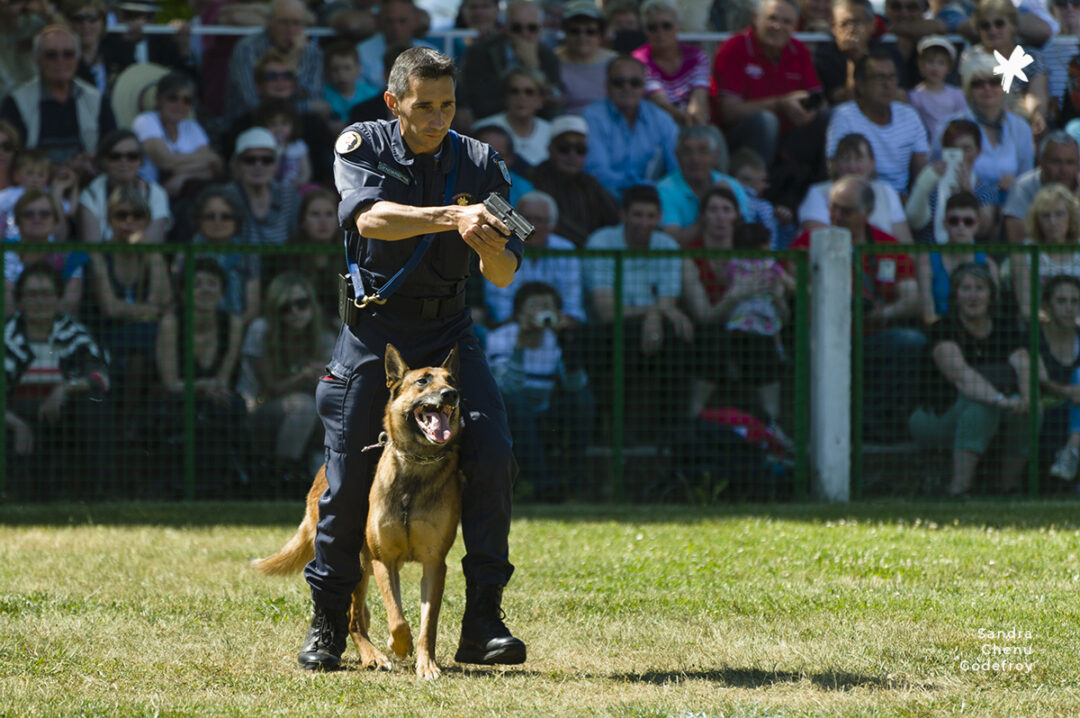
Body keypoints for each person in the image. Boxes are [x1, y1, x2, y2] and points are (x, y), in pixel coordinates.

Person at [297, 47, 526, 672]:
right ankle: (328, 624)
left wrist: (488, 246)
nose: (436, 118)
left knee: (494, 452)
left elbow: (506, 273)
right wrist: (452, 216)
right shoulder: (359, 144)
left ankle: (483, 619)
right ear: (394, 102)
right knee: (346, 475)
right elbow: (370, 220)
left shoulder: (482, 162)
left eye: (447, 105)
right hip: (376, 334)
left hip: (450, 333)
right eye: (423, 106)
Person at [790, 175, 925, 440]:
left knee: (912, 341)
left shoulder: (887, 245)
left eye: (847, 210)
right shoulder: (808, 242)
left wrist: (882, 314)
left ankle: (872, 418)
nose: (837, 216)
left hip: (870, 333)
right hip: (822, 337)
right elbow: (788, 280)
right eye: (833, 208)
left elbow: (912, 298)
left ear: (869, 212)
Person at [909, 263, 1033, 496]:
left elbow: (1023, 362)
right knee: (980, 408)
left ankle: (1009, 489)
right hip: (935, 415)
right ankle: (958, 489)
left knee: (1029, 409)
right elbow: (962, 377)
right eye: (965, 288)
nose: (973, 296)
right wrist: (1000, 400)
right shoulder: (942, 329)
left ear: (991, 295)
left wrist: (1026, 398)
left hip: (995, 407)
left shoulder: (1004, 328)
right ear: (955, 294)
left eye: (980, 288)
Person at [583, 184, 695, 434]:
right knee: (627, 337)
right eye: (637, 214)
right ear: (623, 215)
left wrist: (656, 314)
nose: (643, 222)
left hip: (652, 331)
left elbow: (669, 303)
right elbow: (606, 312)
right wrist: (654, 313)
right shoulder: (601, 242)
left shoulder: (667, 246)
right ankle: (616, 433)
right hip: (607, 333)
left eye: (650, 216)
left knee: (679, 335)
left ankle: (673, 435)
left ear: (660, 218)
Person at [682, 186, 794, 430]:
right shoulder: (690, 255)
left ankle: (770, 425)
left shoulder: (756, 251)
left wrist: (777, 299)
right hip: (709, 331)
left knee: (760, 341)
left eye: (726, 210)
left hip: (754, 331)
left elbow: (783, 317)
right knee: (715, 340)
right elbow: (704, 316)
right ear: (702, 217)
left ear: (737, 217)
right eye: (713, 210)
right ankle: (693, 419)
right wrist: (735, 297)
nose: (720, 217)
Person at [4, 262, 111, 501]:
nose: (40, 302)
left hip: (64, 419)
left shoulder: (75, 334)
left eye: (46, 294)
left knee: (93, 403)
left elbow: (100, 377)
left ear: (58, 298)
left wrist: (64, 389)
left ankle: (95, 494)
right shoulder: (6, 337)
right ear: (20, 301)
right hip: (17, 420)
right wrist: (15, 424)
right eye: (32, 295)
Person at [486, 281, 593, 503]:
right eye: (535, 306)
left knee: (583, 401)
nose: (542, 311)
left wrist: (568, 346)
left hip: (545, 411)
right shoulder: (501, 337)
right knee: (517, 402)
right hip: (510, 416)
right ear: (519, 312)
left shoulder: (555, 339)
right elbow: (507, 388)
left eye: (548, 306)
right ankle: (544, 485)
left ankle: (575, 482)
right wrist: (520, 345)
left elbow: (576, 385)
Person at [153, 258, 250, 499]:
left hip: (217, 397)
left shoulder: (233, 323)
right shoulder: (171, 323)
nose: (205, 290)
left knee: (229, 408)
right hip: (178, 398)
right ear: (184, 293)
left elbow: (224, 378)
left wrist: (212, 388)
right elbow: (170, 382)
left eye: (211, 284)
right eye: (196, 284)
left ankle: (230, 484)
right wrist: (203, 387)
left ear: (221, 291)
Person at [236, 271, 333, 485]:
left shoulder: (325, 336)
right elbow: (270, 388)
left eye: (302, 303)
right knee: (304, 406)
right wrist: (303, 377)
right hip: (259, 412)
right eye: (286, 308)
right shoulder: (261, 331)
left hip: (311, 416)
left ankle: (319, 474)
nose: (295, 312)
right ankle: (282, 476)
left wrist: (325, 377)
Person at [710, 0, 827, 172]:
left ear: (795, 26)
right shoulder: (733, 48)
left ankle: (826, 188)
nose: (778, 26)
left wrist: (809, 110)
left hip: (790, 138)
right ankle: (757, 189)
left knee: (830, 116)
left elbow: (820, 100)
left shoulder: (799, 50)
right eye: (772, 18)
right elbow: (729, 112)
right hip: (740, 139)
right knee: (766, 121)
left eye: (786, 22)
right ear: (756, 19)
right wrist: (780, 104)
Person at [0, 24, 117, 174]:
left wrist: (91, 162)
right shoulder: (16, 101)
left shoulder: (97, 99)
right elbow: (11, 154)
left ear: (77, 58)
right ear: (37, 59)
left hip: (87, 183)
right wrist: (58, 169)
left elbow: (112, 149)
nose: (60, 61)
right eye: (51, 55)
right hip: (34, 187)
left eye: (68, 54)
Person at [825, 48, 930, 197]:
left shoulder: (909, 116)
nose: (887, 85)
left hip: (903, 203)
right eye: (879, 78)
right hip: (860, 199)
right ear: (860, 85)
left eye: (892, 77)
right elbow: (836, 173)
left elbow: (921, 176)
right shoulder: (844, 116)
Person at [936, 49, 1035, 203]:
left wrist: (1016, 184)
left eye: (994, 81)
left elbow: (1028, 179)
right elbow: (938, 171)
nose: (987, 88)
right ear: (969, 89)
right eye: (978, 84)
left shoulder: (1021, 127)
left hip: (1009, 205)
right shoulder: (950, 127)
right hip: (963, 207)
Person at [581, 54, 678, 200]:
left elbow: (676, 168)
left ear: (644, 87)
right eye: (619, 82)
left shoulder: (661, 119)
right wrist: (639, 186)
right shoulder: (592, 116)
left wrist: (655, 191)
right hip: (607, 197)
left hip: (654, 198)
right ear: (607, 86)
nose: (627, 88)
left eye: (635, 82)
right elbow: (597, 172)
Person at [484, 190, 586, 325]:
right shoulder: (500, 247)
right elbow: (499, 305)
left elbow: (572, 306)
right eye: (526, 218)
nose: (531, 226)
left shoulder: (566, 250)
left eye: (539, 220)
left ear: (552, 225)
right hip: (509, 329)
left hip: (556, 328)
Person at [458, 0, 561, 124]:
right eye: (517, 28)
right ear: (505, 28)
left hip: (536, 123)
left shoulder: (548, 55)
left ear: (540, 29)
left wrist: (534, 67)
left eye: (532, 28)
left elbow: (555, 100)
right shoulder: (481, 51)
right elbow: (477, 99)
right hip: (492, 122)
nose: (525, 34)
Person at [800, 132, 914, 244]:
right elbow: (817, 241)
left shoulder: (887, 191)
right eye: (845, 159)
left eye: (859, 159)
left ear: (872, 162)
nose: (852, 166)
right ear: (834, 164)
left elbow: (905, 244)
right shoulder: (818, 192)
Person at [959, 0, 1049, 137]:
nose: (992, 30)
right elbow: (969, 97)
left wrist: (1036, 115)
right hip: (981, 124)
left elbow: (1037, 95)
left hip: (1023, 122)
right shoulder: (971, 58)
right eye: (985, 26)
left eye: (999, 23)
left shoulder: (1032, 57)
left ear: (1013, 25)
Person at [225, 0, 324, 122]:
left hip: (299, 123)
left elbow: (314, 96)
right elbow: (252, 102)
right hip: (250, 121)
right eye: (283, 23)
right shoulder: (247, 48)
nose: (290, 30)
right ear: (269, 23)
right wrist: (293, 58)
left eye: (296, 23)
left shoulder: (312, 52)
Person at [530, 114, 621, 246]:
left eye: (580, 149)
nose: (572, 155)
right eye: (564, 148)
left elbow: (616, 217)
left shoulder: (590, 182)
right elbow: (554, 223)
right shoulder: (537, 177)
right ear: (550, 150)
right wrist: (590, 243)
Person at [906, 118, 998, 244]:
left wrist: (969, 194)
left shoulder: (983, 188)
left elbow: (984, 229)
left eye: (967, 149)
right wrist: (925, 182)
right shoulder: (930, 184)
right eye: (954, 148)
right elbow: (915, 222)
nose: (961, 155)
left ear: (978, 152)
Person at [131, 71, 223, 197]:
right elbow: (165, 162)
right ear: (158, 99)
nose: (180, 105)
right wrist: (206, 158)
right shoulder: (145, 121)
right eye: (172, 98)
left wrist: (183, 176)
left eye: (187, 100)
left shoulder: (192, 126)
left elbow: (214, 167)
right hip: (149, 193)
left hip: (184, 190)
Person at [657, 125, 749, 246]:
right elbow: (671, 243)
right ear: (677, 157)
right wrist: (711, 208)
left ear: (716, 156)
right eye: (687, 152)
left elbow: (746, 236)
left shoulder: (733, 186)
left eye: (703, 151)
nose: (695, 159)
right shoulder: (664, 189)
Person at [916, 191, 998, 325]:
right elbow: (928, 314)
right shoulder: (927, 260)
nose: (961, 227)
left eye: (968, 221)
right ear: (945, 224)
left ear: (977, 225)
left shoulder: (988, 265)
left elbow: (993, 311)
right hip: (939, 331)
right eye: (954, 221)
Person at [77, 129, 171, 245]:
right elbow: (92, 249)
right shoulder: (91, 194)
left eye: (132, 156)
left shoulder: (155, 193)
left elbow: (153, 245)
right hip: (105, 261)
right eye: (115, 156)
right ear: (104, 160)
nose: (124, 162)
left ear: (140, 161)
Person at [185, 185, 261, 325]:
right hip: (195, 328)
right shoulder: (187, 252)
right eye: (210, 216)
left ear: (236, 220)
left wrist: (232, 330)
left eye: (225, 216)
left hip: (238, 324)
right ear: (199, 220)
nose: (217, 222)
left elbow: (253, 309)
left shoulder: (248, 253)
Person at [267, 188, 344, 323]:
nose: (323, 221)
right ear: (302, 221)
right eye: (315, 214)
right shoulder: (287, 257)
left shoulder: (349, 257)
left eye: (329, 214)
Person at [631, 0, 711, 127]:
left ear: (678, 26)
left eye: (666, 26)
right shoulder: (638, 60)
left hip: (693, 123)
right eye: (652, 27)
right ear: (645, 31)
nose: (660, 32)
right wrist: (686, 119)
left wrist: (695, 122)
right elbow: (659, 102)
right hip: (656, 126)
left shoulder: (697, 56)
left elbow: (699, 99)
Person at [813, 0, 907, 105]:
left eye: (857, 22)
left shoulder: (890, 53)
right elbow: (843, 103)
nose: (851, 29)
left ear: (872, 25)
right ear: (833, 27)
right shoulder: (824, 57)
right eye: (844, 24)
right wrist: (852, 60)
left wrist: (861, 56)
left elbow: (901, 97)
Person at [1012, 183, 1080, 324]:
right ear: (1037, 219)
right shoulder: (1023, 253)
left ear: (1071, 216)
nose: (1053, 222)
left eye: (1059, 214)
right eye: (1046, 216)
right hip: (1040, 332)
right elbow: (1026, 309)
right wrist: (1057, 323)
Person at [221, 127, 300, 246]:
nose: (259, 166)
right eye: (250, 160)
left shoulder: (289, 194)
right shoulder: (225, 196)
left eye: (267, 160)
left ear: (275, 165)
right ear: (238, 164)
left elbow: (296, 238)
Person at [1037, 275, 1080, 481]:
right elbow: (1041, 381)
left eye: (1074, 301)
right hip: (1046, 418)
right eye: (1061, 301)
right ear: (1047, 305)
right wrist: (1069, 392)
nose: (1069, 308)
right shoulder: (1034, 336)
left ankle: (1071, 450)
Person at [1003, 132, 1080, 244]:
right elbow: (1018, 240)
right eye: (1056, 162)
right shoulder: (1023, 187)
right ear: (1040, 162)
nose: (1064, 170)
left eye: (1070, 162)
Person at [473, 67, 552, 167]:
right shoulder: (483, 129)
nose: (521, 97)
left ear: (541, 99)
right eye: (514, 91)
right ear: (505, 96)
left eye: (529, 92)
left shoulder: (551, 132)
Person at [355, 0, 435, 89]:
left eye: (402, 21)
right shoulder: (361, 53)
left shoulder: (430, 55)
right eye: (389, 21)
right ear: (379, 21)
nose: (396, 28)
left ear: (415, 21)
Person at [556, 0, 615, 115]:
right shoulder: (553, 61)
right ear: (565, 32)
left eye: (590, 32)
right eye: (575, 31)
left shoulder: (614, 63)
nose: (582, 37)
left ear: (600, 34)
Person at [908, 35, 967, 144]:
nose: (935, 68)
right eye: (930, 62)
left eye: (941, 63)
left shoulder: (957, 95)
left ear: (948, 68)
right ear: (920, 65)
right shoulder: (915, 96)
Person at [321, 39, 381, 133]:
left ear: (358, 69)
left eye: (347, 68)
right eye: (335, 69)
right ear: (327, 72)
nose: (341, 74)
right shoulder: (322, 95)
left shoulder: (372, 95)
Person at [254, 99, 313, 189]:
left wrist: (300, 182)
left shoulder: (298, 145)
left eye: (284, 123)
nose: (279, 129)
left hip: (296, 187)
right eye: (273, 124)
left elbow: (306, 171)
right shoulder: (263, 147)